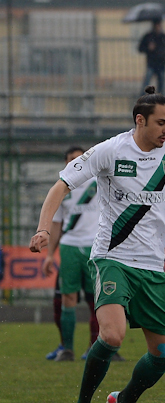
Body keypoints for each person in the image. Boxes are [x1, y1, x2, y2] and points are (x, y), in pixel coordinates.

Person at [29, 86, 165, 403]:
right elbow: (61, 186)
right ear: (140, 120)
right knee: (112, 335)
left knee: (163, 356)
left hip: (152, 267)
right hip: (111, 258)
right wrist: (43, 229)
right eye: (161, 123)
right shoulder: (110, 151)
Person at [40, 146, 107, 362]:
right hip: (69, 247)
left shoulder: (100, 184)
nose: (76, 162)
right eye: (71, 159)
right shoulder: (62, 189)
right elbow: (57, 224)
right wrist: (50, 255)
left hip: (95, 248)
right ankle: (67, 349)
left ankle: (94, 348)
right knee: (68, 298)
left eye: (80, 158)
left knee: (97, 300)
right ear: (66, 163)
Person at [137, 20, 165, 95]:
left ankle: (160, 100)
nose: (158, 27)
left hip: (161, 64)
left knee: (161, 85)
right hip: (151, 64)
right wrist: (148, 48)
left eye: (159, 25)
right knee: (146, 83)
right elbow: (140, 48)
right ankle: (142, 99)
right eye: (156, 25)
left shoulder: (164, 37)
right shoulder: (148, 36)